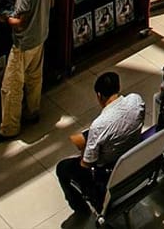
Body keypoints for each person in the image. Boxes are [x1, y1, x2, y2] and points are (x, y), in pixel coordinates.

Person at [56, 71, 148, 217]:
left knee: (62, 168)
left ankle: (81, 208)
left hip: (108, 171)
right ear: (118, 87)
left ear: (99, 96)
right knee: (90, 137)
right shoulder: (136, 101)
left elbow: (86, 164)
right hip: (132, 157)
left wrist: (84, 152)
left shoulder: (99, 125)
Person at [0, 0, 53, 144]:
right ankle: (32, 112)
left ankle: (9, 128)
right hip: (41, 37)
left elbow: (19, 22)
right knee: (34, 78)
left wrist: (4, 18)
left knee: (11, 87)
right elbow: (52, 3)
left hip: (23, 44)